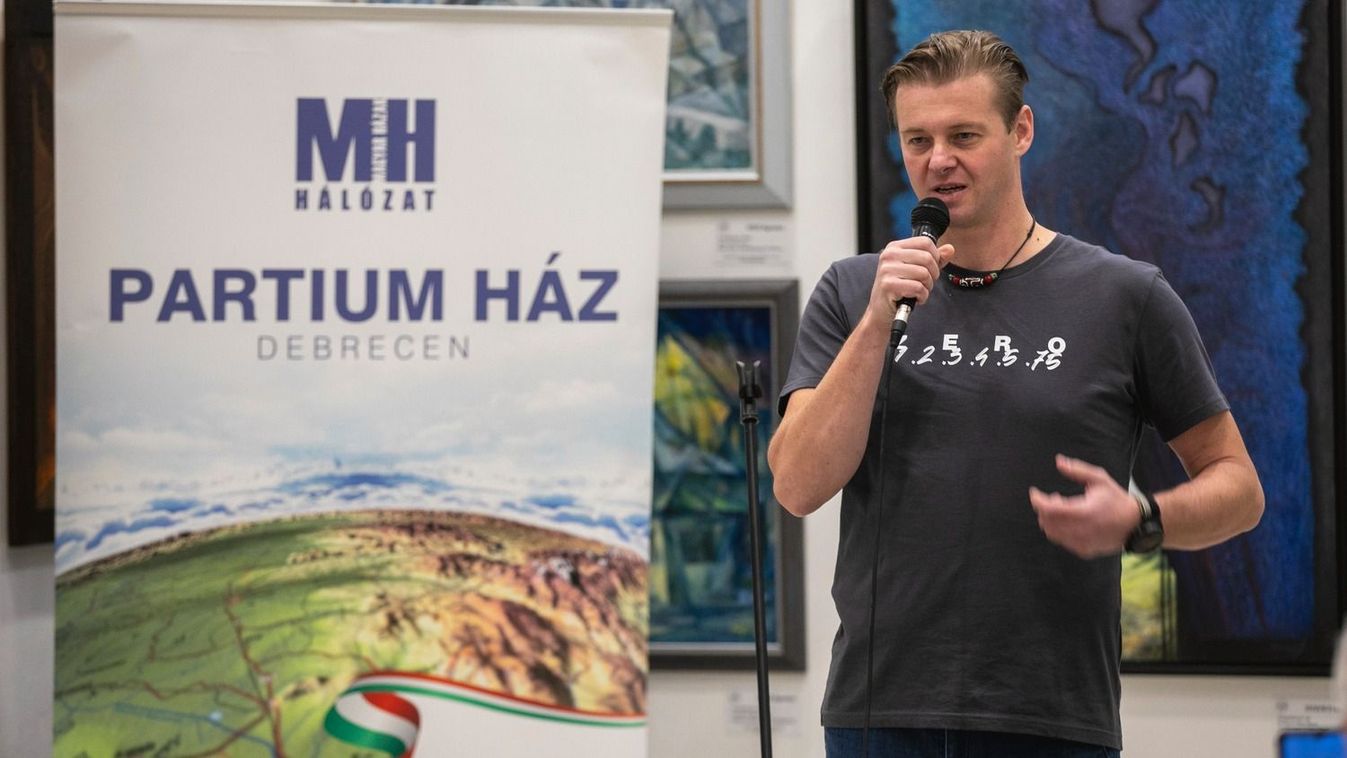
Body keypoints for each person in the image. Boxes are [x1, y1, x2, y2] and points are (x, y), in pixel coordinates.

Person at [767, 29, 1264, 757]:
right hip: (880, 713)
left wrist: (1141, 519)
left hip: (1050, 718)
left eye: (963, 136)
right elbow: (797, 485)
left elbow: (1239, 488)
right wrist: (875, 326)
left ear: (1020, 131)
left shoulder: (1124, 296)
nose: (938, 160)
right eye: (917, 140)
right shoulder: (854, 292)